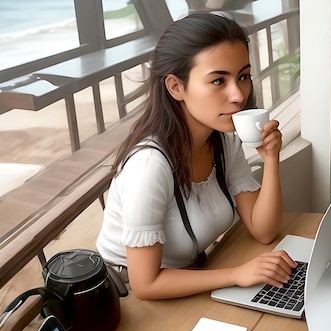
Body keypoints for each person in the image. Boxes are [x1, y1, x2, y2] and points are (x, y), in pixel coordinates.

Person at [96, 12, 296, 300]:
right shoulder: (149, 166)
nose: (238, 95)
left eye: (243, 76)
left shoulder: (224, 139)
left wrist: (271, 159)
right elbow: (145, 284)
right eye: (218, 81)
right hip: (127, 298)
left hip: (193, 277)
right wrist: (237, 275)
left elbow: (263, 230)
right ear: (176, 87)